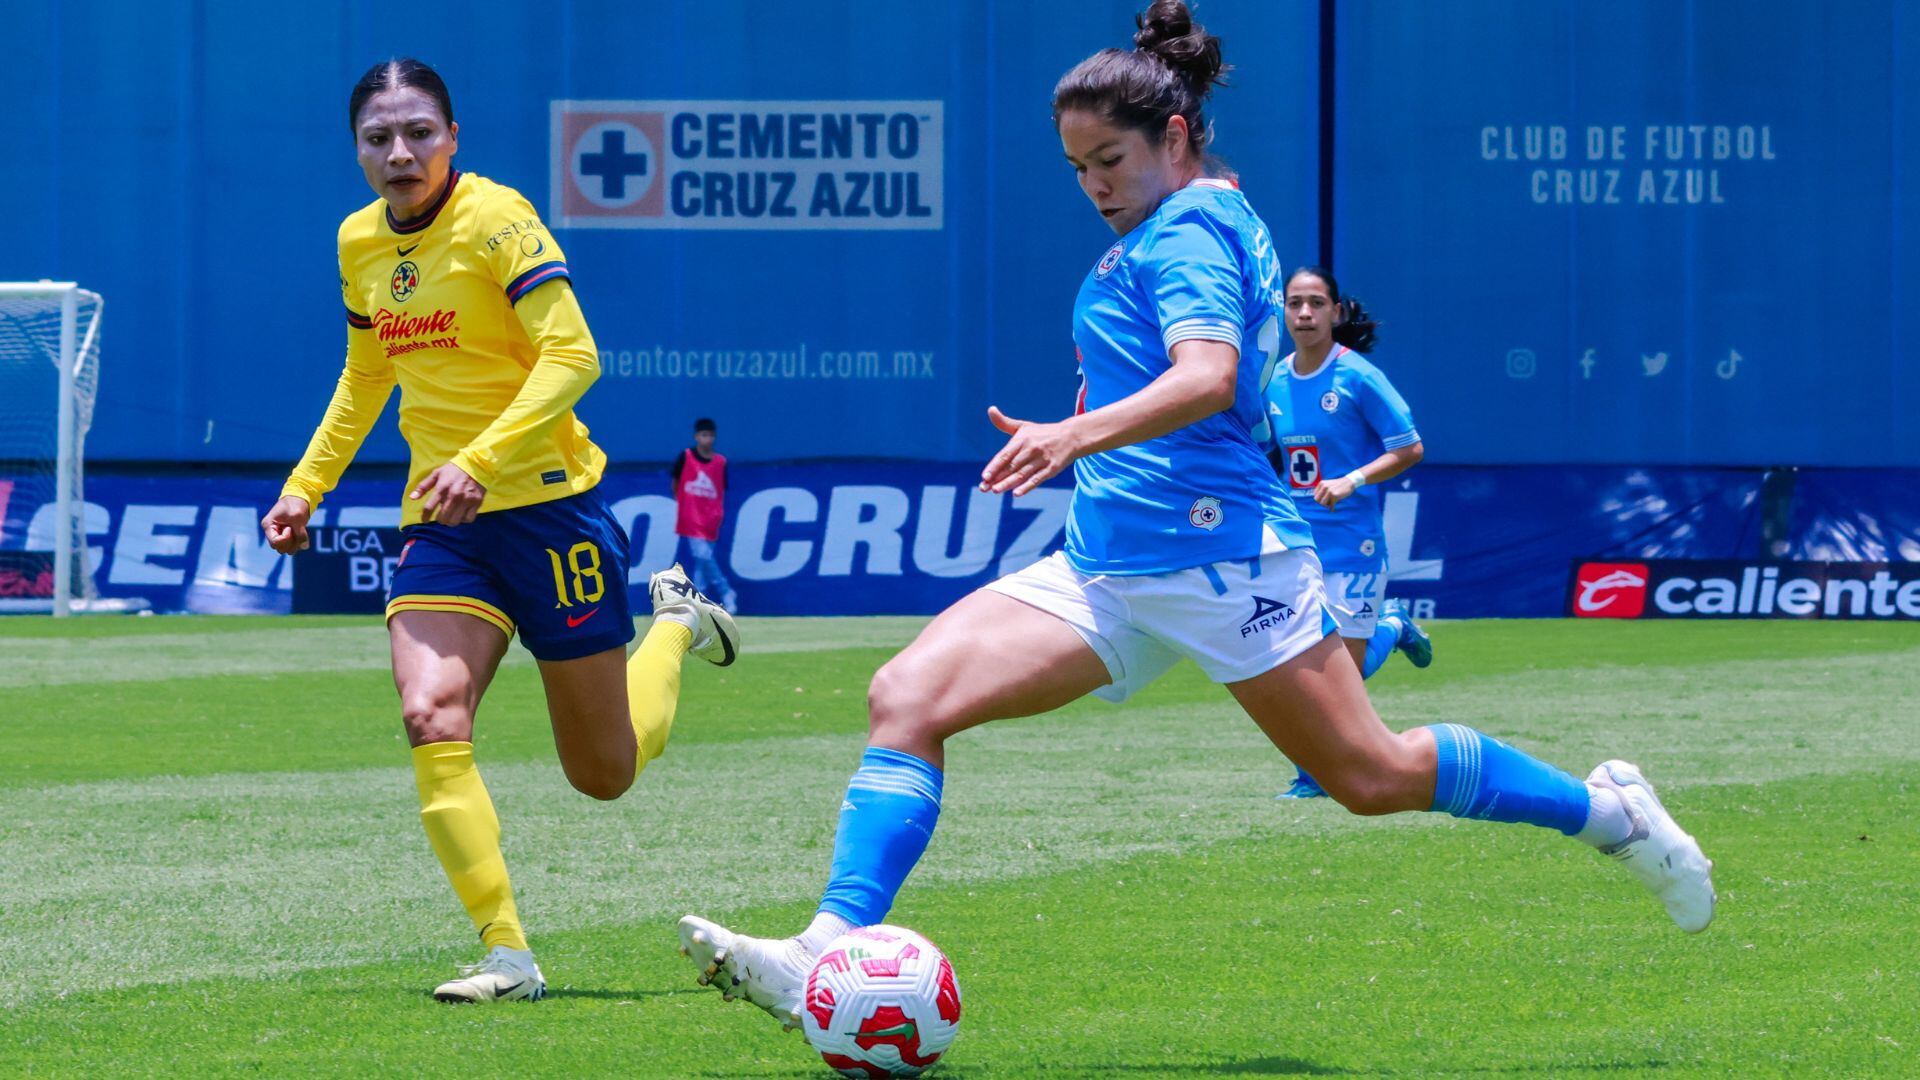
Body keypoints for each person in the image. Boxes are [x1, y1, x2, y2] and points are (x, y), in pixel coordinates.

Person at [674, 0, 1715, 1033]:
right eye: (1077, 167)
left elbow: (1210, 376)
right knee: (906, 696)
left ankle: (1609, 813)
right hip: (1107, 563)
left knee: (1370, 774)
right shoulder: (1197, 209)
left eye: (1109, 161)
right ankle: (823, 947)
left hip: (1226, 563)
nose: (1092, 187)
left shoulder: (1192, 227)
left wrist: (1074, 435)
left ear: (1171, 137)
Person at [260, 58, 739, 1005]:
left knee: (603, 775)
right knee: (429, 713)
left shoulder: (497, 219)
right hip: (442, 524)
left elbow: (575, 353)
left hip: (551, 509)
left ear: (453, 137)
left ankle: (677, 622)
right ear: (356, 149)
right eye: (378, 138)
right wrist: (305, 487)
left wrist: (481, 460)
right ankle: (509, 955)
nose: (400, 152)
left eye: (419, 133)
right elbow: (368, 379)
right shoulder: (360, 243)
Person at [1267, 268, 1430, 800]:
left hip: (1354, 544)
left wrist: (1352, 479)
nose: (1306, 314)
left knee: (1346, 678)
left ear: (1336, 312)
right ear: (1284, 312)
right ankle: (1310, 773)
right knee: (1292, 664)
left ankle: (1390, 627)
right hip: (1295, 544)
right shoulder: (1272, 381)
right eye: (1295, 304)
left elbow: (1409, 447)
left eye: (1317, 303)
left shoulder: (1357, 377)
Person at [671, 417, 738, 613]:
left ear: (714, 437)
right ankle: (725, 590)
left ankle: (698, 601)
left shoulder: (720, 462)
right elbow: (675, 483)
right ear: (696, 436)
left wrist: (716, 512)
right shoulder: (686, 457)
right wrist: (685, 504)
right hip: (691, 518)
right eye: (703, 435)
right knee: (701, 554)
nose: (706, 439)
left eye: (709, 435)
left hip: (711, 519)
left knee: (703, 561)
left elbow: (720, 490)